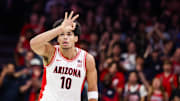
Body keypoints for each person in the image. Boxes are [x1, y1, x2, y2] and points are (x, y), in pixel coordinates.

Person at [30, 11, 98, 101]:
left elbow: (92, 89)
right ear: (58, 38)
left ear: (76, 38)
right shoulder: (51, 52)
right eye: (62, 34)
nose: (65, 37)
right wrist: (60, 29)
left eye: (69, 34)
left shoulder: (87, 59)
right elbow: (33, 43)